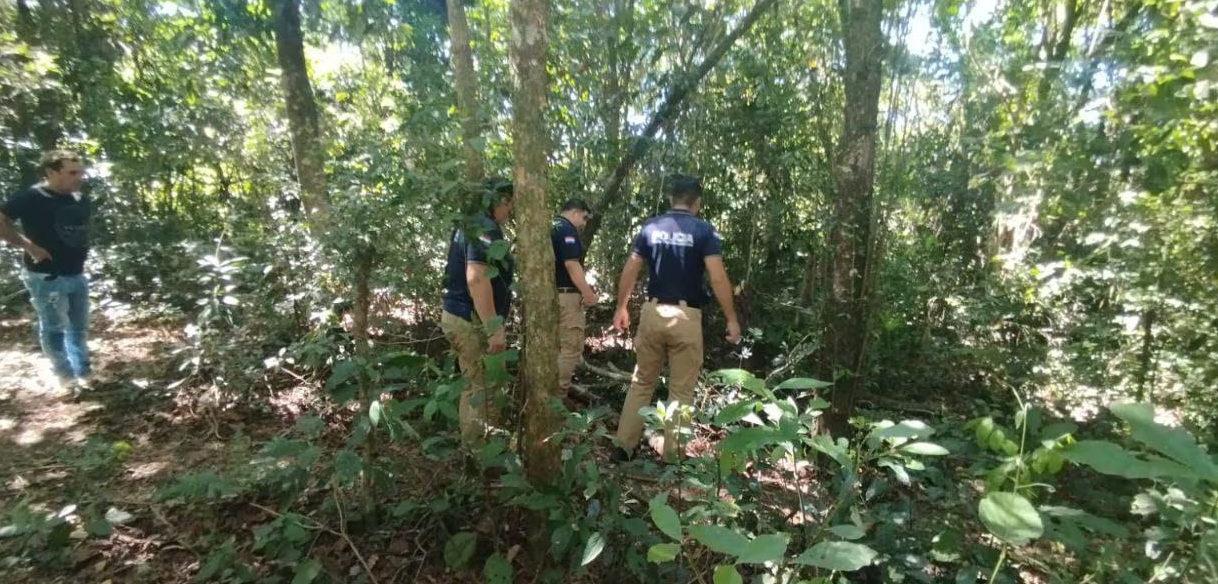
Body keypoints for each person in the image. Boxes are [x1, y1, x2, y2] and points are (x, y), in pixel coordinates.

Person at [611, 175, 740, 462]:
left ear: (671, 199)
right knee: (681, 391)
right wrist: (731, 318)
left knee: (642, 381)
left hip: (653, 313)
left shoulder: (651, 227)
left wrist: (621, 307)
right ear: (697, 203)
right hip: (686, 316)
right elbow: (718, 278)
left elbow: (631, 268)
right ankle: (673, 459)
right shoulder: (704, 231)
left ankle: (622, 447)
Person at [0, 150, 92, 392]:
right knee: (53, 327)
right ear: (51, 172)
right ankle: (65, 377)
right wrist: (28, 246)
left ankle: (83, 372)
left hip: (77, 273)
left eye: (81, 172)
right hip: (46, 276)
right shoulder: (31, 197)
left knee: (79, 328)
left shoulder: (78, 198)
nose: (79, 177)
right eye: (72, 172)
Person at [440, 178, 515, 448]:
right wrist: (493, 327)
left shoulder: (468, 223)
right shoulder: (484, 226)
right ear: (500, 201)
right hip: (470, 320)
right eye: (509, 204)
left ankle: (475, 457)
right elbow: (476, 278)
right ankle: (483, 462)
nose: (509, 211)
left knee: (474, 387)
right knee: (485, 390)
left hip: (458, 315)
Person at [551, 198, 596, 399]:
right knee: (571, 347)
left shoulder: (550, 226)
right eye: (584, 217)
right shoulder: (566, 229)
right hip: (566, 296)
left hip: (551, 296)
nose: (584, 223)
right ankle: (556, 397)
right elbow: (571, 264)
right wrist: (587, 293)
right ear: (575, 212)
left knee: (555, 347)